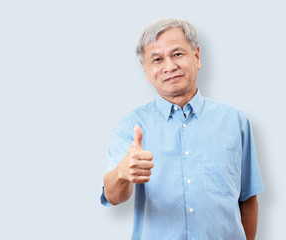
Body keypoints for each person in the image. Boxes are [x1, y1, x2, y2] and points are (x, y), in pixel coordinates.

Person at [100, 18, 264, 240]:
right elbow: (113, 196)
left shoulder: (235, 121)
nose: (170, 66)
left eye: (177, 54)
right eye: (157, 59)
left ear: (196, 57)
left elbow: (247, 198)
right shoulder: (131, 126)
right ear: (146, 70)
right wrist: (122, 172)